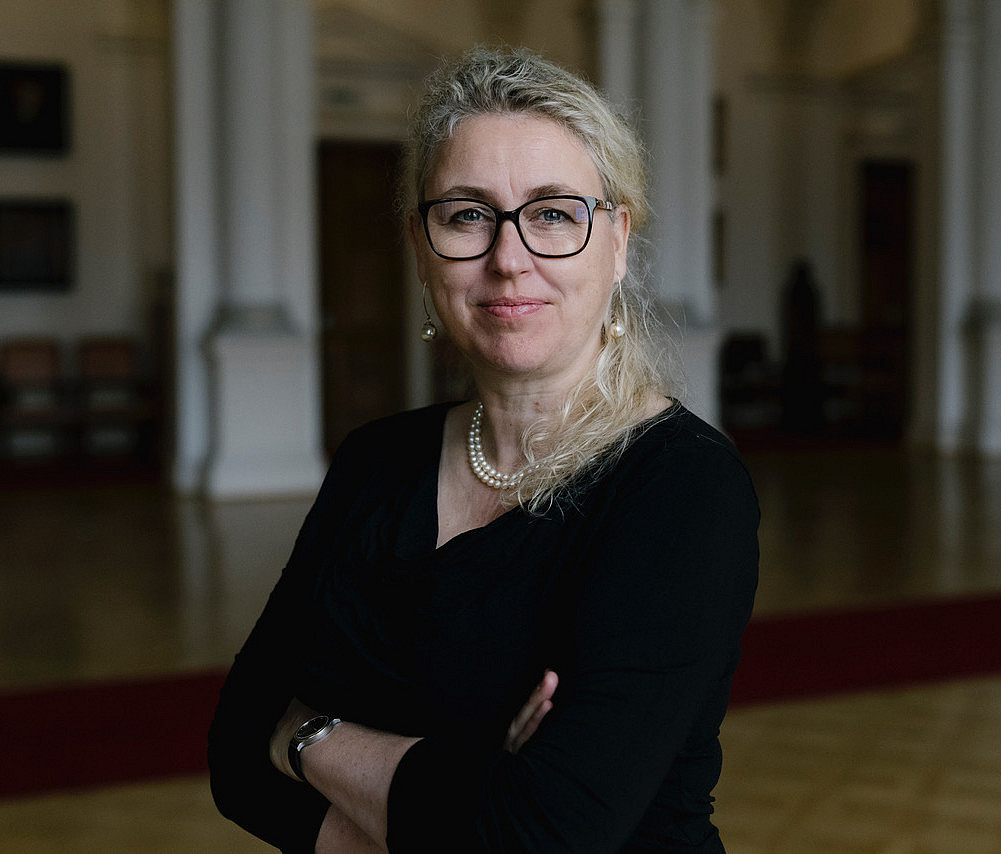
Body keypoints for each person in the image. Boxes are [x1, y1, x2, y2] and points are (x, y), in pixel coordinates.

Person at [208, 45, 759, 853]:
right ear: (422, 248)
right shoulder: (374, 461)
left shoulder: (681, 487)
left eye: (552, 214)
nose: (508, 259)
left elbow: (537, 833)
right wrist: (470, 786)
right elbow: (231, 757)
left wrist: (304, 735)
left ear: (615, 241)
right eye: (467, 215)